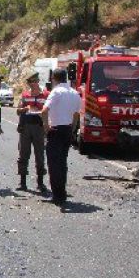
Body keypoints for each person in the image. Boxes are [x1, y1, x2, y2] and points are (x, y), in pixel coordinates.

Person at [41, 68, 81, 205]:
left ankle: (57, 195)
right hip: (67, 130)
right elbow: (76, 115)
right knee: (62, 163)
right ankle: (62, 193)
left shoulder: (56, 92)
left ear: (54, 79)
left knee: (53, 164)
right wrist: (73, 129)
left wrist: (46, 128)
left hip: (56, 129)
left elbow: (44, 110)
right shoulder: (75, 93)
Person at [16, 72, 49, 191]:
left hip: (39, 127)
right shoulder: (25, 95)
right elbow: (18, 111)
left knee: (39, 155)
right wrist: (25, 109)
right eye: (30, 82)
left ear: (38, 81)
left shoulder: (45, 95)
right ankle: (22, 182)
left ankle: (40, 183)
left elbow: (49, 110)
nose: (32, 85)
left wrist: (43, 116)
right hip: (25, 127)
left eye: (34, 82)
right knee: (23, 154)